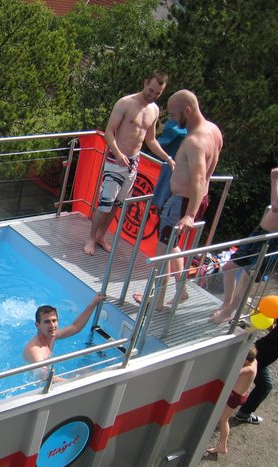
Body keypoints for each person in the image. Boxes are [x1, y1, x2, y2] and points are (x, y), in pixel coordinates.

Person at [133, 90, 223, 309]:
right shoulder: (213, 130)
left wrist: (189, 215)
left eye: (173, 115)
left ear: (187, 111)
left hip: (182, 203)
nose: (171, 121)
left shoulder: (194, 141)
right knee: (172, 246)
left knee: (161, 253)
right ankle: (181, 291)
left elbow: (199, 178)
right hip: (193, 200)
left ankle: (157, 301)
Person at [83, 71, 174, 256]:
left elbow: (150, 140)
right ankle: (91, 238)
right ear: (145, 82)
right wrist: (117, 153)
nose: (153, 95)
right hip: (115, 159)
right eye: (151, 90)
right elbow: (109, 132)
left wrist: (167, 158)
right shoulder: (125, 103)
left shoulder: (154, 110)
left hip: (132, 163)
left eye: (157, 93)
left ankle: (101, 236)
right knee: (105, 203)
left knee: (118, 204)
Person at [210, 159, 278, 324]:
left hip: (269, 241)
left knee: (246, 279)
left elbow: (275, 206)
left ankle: (228, 312)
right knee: (229, 267)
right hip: (259, 234)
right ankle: (227, 302)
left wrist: (274, 181)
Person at [23, 293, 105, 378]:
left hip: (48, 375)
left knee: (86, 371)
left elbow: (75, 327)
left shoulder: (51, 336)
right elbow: (43, 377)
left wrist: (94, 303)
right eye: (47, 322)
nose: (52, 325)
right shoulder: (35, 351)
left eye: (54, 321)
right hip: (37, 381)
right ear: (37, 325)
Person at [206, 346, 257, 455]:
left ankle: (222, 446)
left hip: (235, 397)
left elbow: (232, 373)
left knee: (223, 420)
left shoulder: (248, 369)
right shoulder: (254, 362)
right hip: (240, 394)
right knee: (222, 417)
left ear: (247, 360)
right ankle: (221, 445)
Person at [151, 118, 188, 212]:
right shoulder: (183, 127)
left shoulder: (175, 130)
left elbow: (158, 145)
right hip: (168, 171)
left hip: (167, 172)